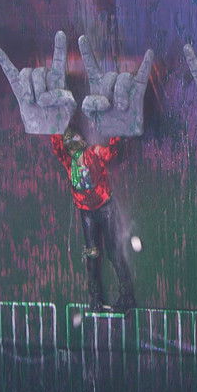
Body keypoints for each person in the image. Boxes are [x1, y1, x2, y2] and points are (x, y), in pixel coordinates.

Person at [50, 129, 136, 313]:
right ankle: (95, 298)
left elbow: (111, 152)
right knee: (92, 255)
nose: (73, 147)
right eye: (69, 143)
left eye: (75, 141)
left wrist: (115, 131)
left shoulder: (94, 153)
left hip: (105, 208)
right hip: (86, 212)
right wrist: (55, 126)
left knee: (114, 252)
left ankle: (127, 297)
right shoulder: (68, 161)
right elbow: (56, 146)